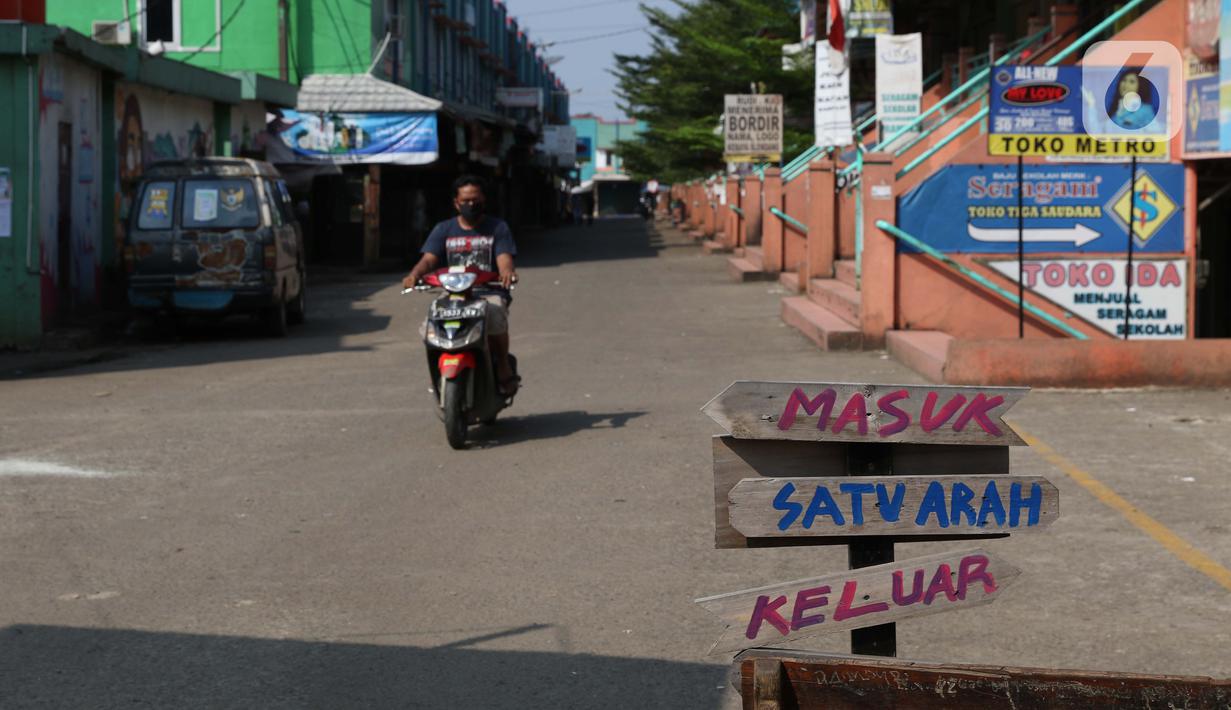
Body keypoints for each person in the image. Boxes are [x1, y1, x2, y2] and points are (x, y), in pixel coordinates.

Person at [403, 175, 519, 395]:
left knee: (495, 317)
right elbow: (429, 259)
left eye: (475, 199)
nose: (471, 204)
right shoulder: (443, 229)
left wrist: (506, 272)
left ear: (484, 200)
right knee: (429, 326)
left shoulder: (497, 227)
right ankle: (437, 372)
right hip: (453, 293)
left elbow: (504, 258)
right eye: (465, 200)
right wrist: (414, 274)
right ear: (456, 203)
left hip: (488, 291)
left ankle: (503, 364)